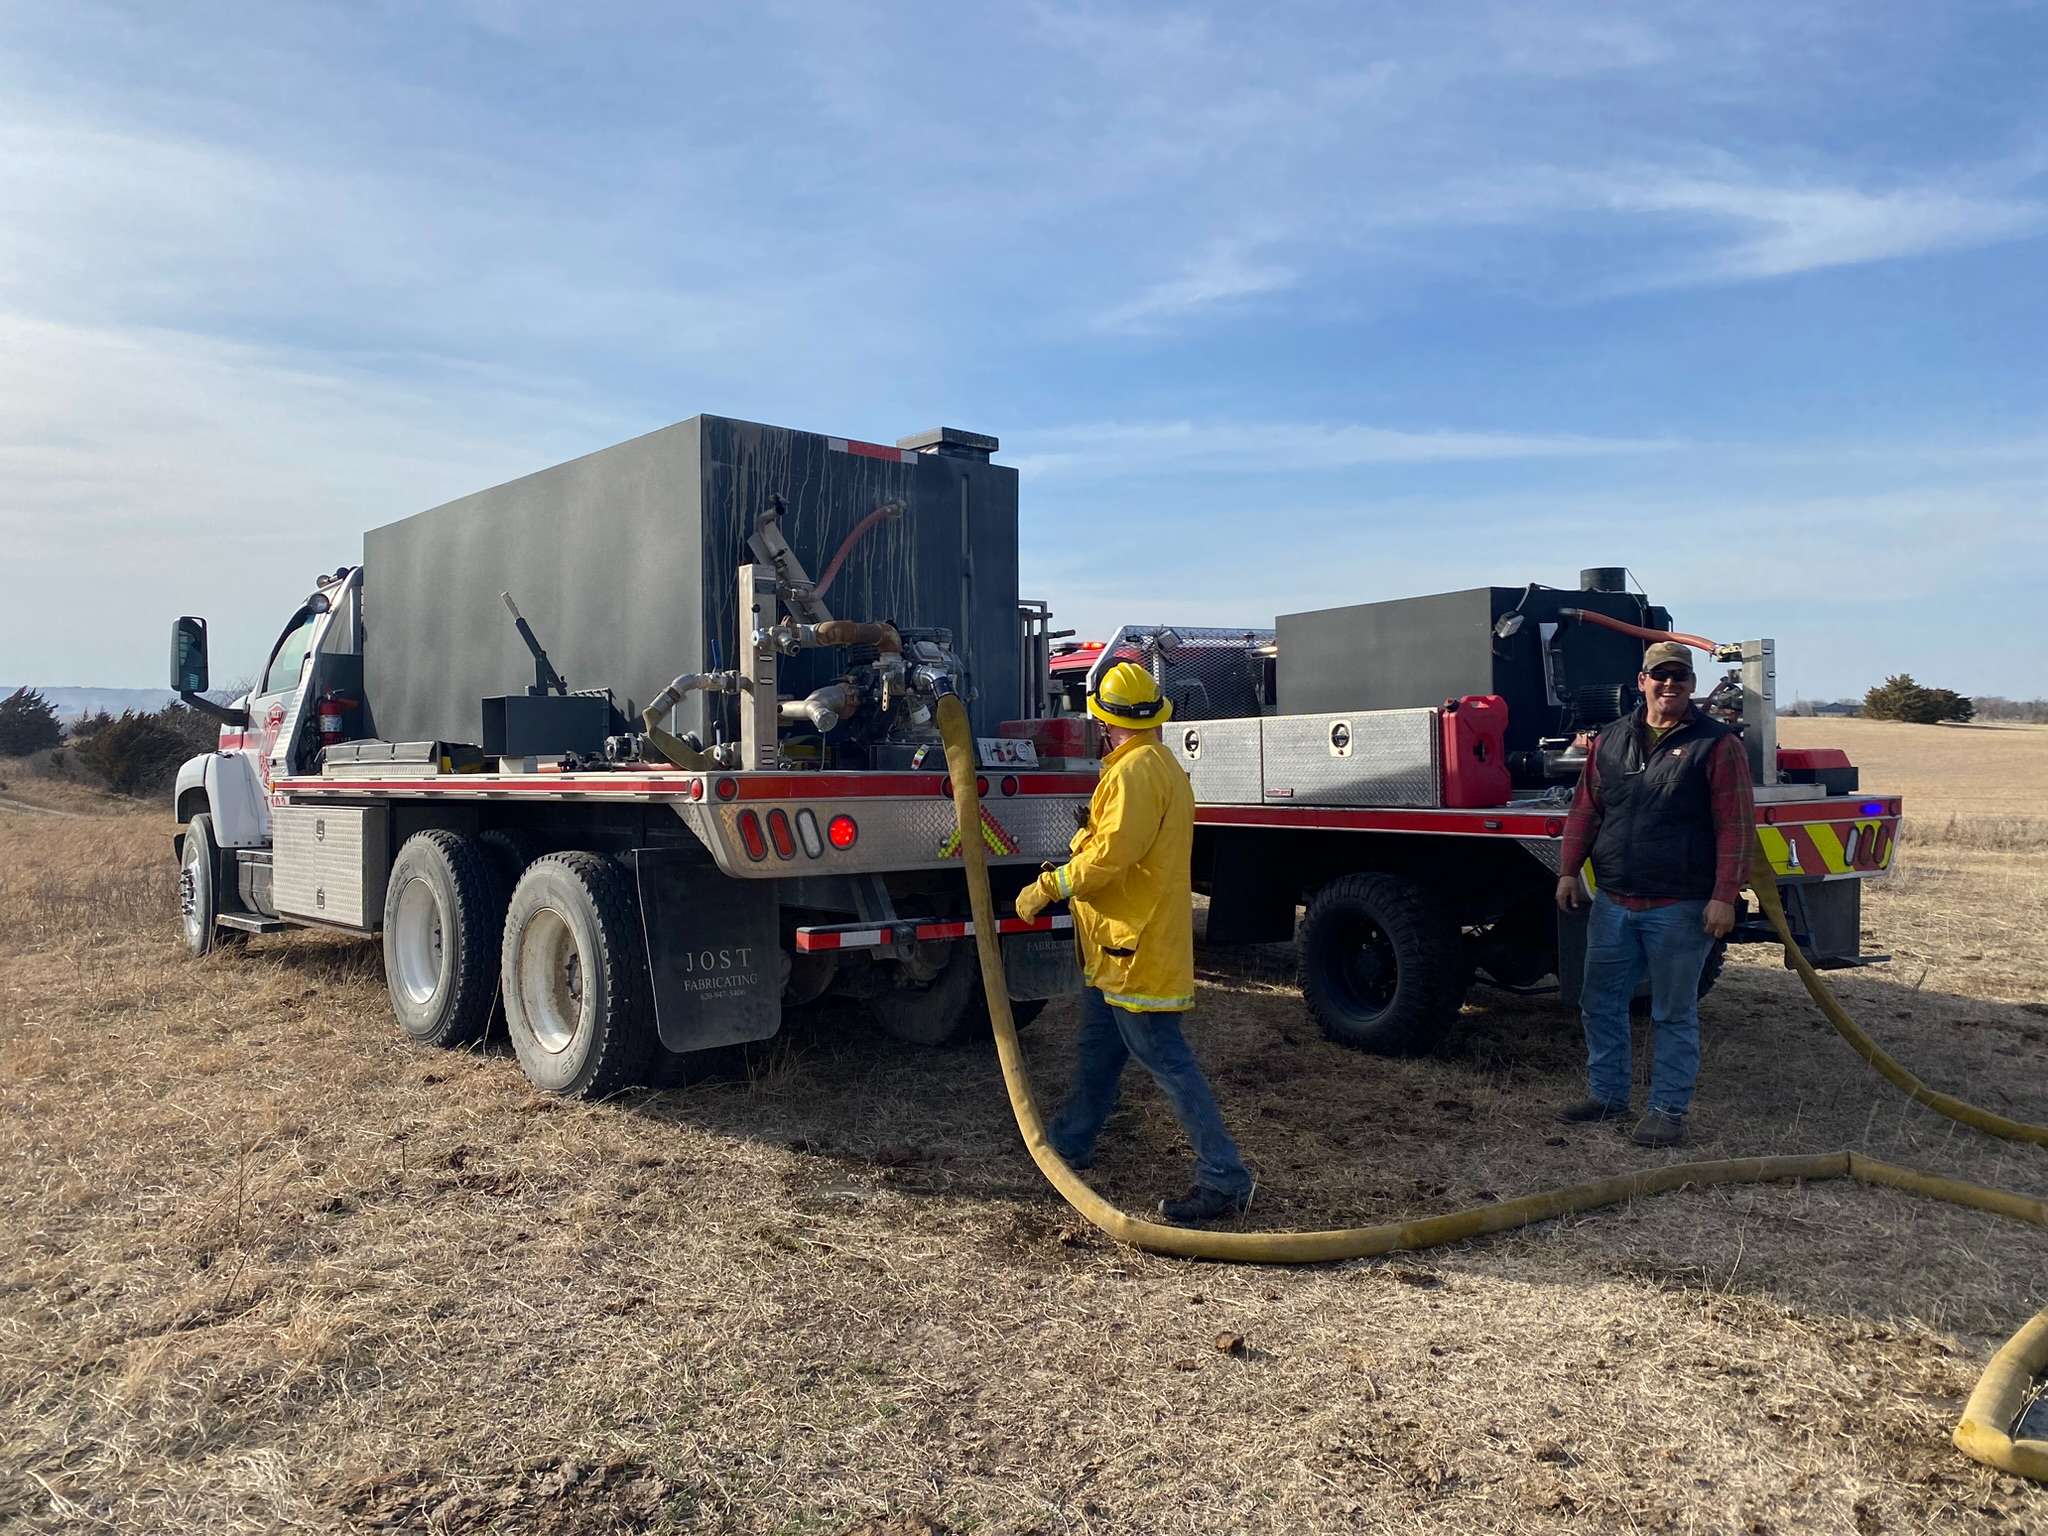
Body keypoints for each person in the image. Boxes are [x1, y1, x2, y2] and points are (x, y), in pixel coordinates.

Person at [1014, 661, 1254, 1223]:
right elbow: (1122, 842)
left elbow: (1110, 859)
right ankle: (1071, 1143)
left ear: (1103, 721)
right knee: (1099, 1046)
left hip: (1135, 946)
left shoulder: (1133, 773)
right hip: (1118, 946)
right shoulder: (1156, 764)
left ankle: (1224, 1178)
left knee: (1165, 1058)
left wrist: (1048, 885)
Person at [1554, 641, 1755, 1147]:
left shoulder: (1716, 744)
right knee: (1599, 1003)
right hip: (1615, 902)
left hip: (1681, 906)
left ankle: (1667, 1111)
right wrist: (1567, 870)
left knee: (1672, 1011)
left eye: (1680, 677)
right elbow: (1586, 810)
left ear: (1691, 685)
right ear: (1641, 681)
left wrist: (1723, 896)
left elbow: (1735, 825)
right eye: (1659, 675)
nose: (1670, 685)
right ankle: (1607, 1097)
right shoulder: (1611, 740)